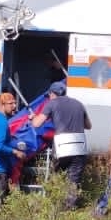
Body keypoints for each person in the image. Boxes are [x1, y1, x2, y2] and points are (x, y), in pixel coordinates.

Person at [33, 80, 92, 208]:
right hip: (80, 146)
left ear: (52, 94)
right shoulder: (79, 104)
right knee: (73, 181)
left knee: (57, 176)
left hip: (62, 146)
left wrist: (33, 118)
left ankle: (54, 207)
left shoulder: (51, 103)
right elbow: (88, 126)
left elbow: (37, 124)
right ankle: (69, 210)